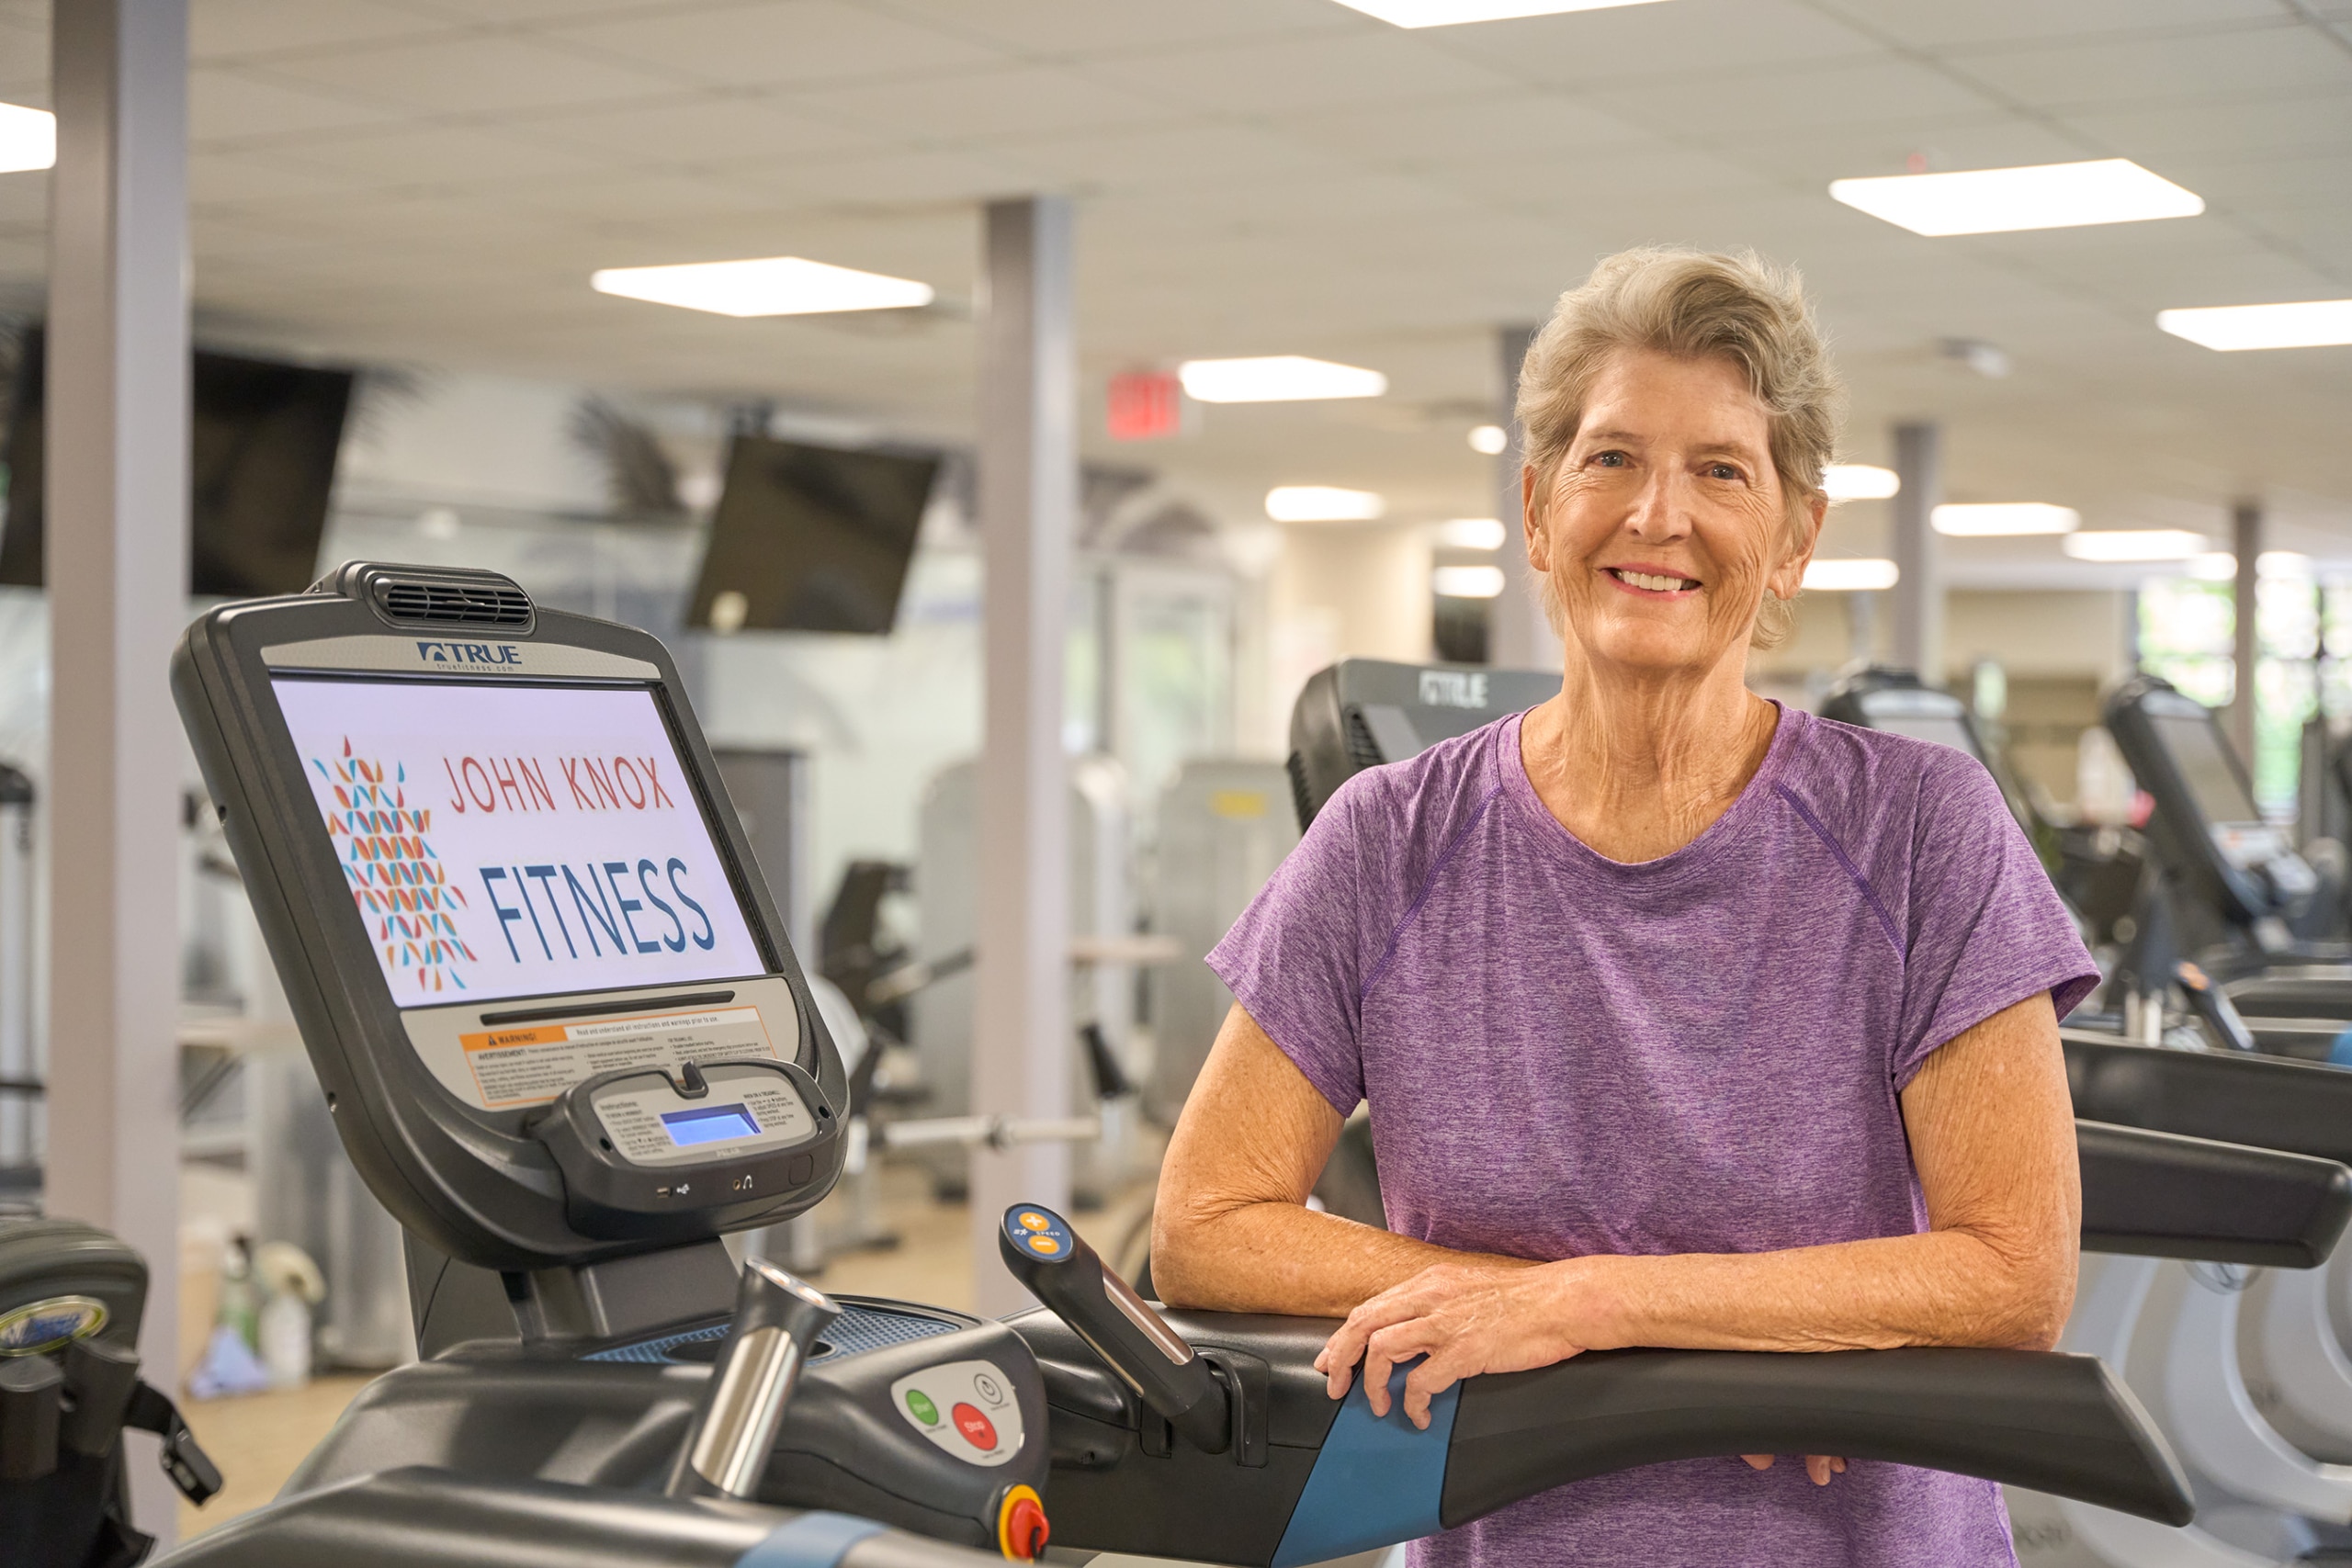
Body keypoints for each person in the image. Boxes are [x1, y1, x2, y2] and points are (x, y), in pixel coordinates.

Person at [1151, 246, 2093, 1568]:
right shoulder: (1387, 838)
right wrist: (1617, 1328)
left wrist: (1606, 1312)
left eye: (1722, 470)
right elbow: (1202, 1229)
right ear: (1538, 511)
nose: (1659, 516)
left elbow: (2015, 1276)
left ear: (1793, 541)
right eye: (1610, 460)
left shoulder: (1924, 828)